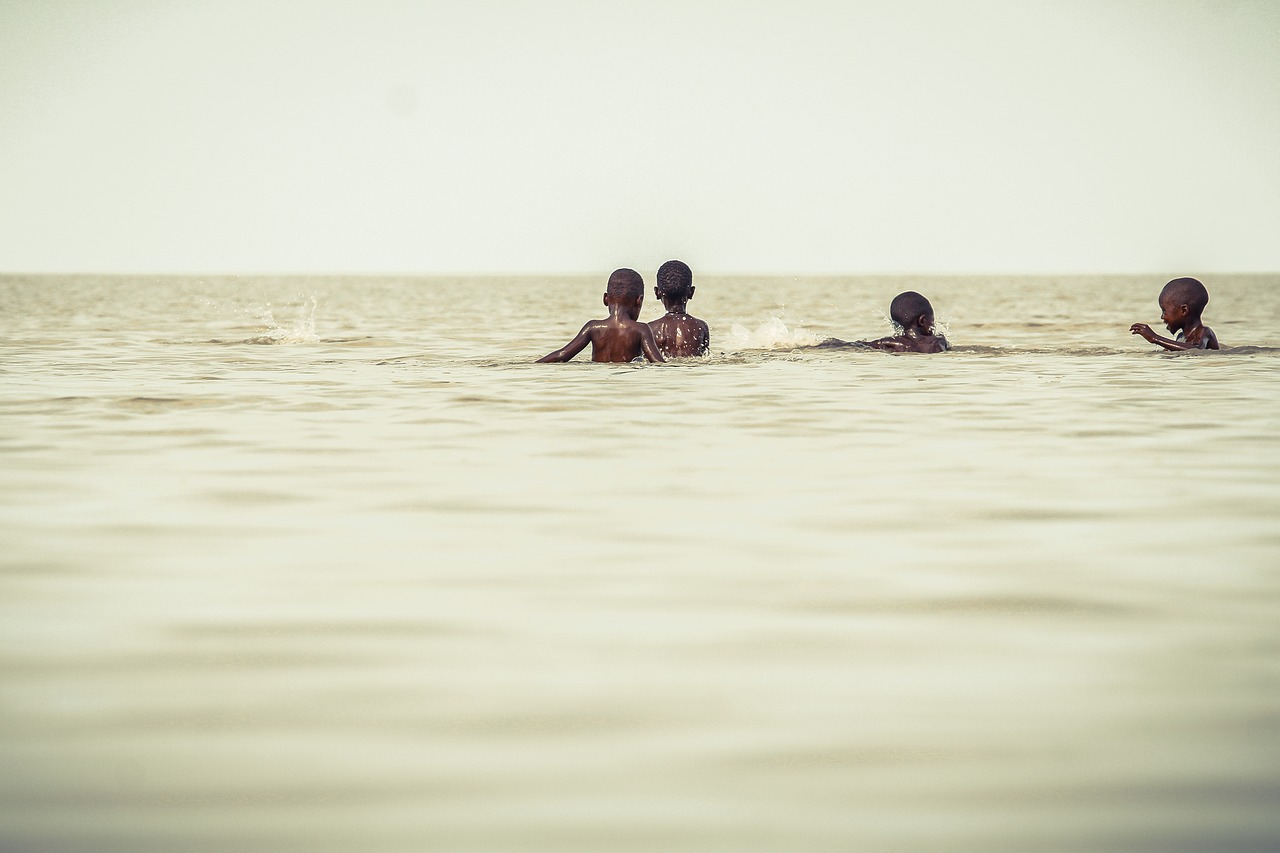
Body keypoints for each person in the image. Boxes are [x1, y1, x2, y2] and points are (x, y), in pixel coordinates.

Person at [537, 268, 665, 363]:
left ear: (605, 299)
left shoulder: (593, 327)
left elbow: (561, 355)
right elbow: (659, 364)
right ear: (639, 301)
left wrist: (531, 365)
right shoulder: (641, 330)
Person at [1130, 277, 1220, 351]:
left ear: (1184, 311)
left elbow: (1196, 350)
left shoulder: (1204, 332)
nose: (1162, 317)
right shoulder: (1181, 337)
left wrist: (1155, 338)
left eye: (1164, 311)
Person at [648, 260, 710, 358]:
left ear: (657, 292)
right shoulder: (701, 327)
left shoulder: (650, 329)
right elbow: (705, 357)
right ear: (691, 292)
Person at [860, 291, 950, 353]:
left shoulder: (890, 343)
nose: (933, 326)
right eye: (932, 321)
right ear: (922, 321)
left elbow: (858, 346)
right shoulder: (939, 341)